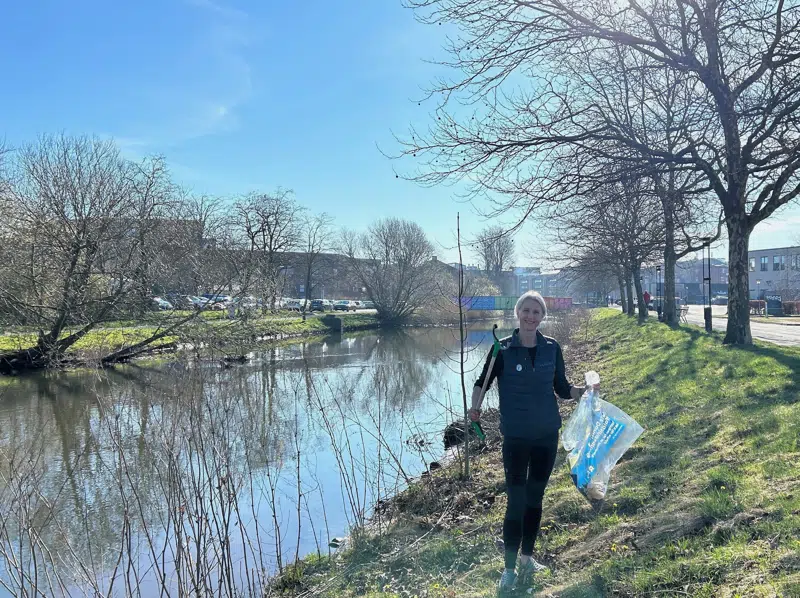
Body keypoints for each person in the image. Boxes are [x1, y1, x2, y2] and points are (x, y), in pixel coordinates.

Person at [469, 291, 596, 592]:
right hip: (515, 437)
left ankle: (527, 558)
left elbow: (563, 389)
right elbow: (481, 383)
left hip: (546, 436)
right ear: (518, 313)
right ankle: (509, 568)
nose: (530, 316)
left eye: (536, 312)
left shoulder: (552, 347)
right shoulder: (502, 349)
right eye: (526, 310)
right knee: (515, 502)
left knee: (535, 499)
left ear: (542, 317)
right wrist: (474, 408)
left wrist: (586, 391)